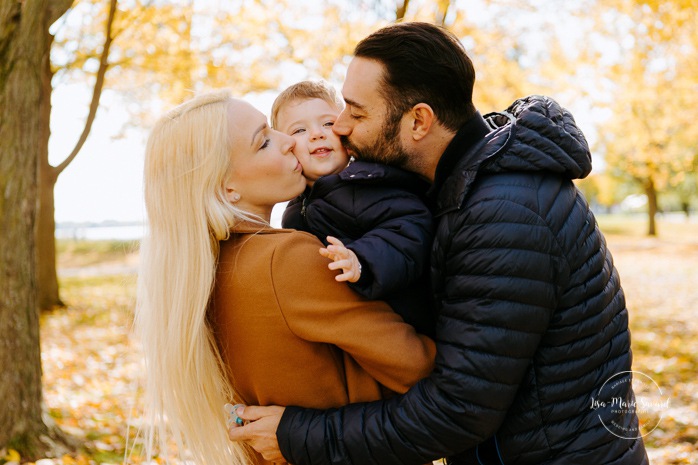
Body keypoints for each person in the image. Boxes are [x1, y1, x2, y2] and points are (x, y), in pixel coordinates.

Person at [227, 22, 649, 465]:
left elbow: (458, 409)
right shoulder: (459, 191)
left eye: (355, 112)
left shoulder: (504, 214)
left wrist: (298, 436)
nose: (342, 128)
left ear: (418, 121)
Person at [133, 89, 436, 465]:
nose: (290, 143)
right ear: (226, 188)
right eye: (264, 142)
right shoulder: (286, 259)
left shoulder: (204, 274)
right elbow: (421, 369)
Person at [271, 80, 436, 336]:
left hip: (408, 320)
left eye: (328, 123)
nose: (317, 134)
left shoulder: (368, 182)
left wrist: (361, 260)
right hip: (351, 324)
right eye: (299, 130)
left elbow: (409, 229)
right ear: (285, 147)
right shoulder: (294, 210)